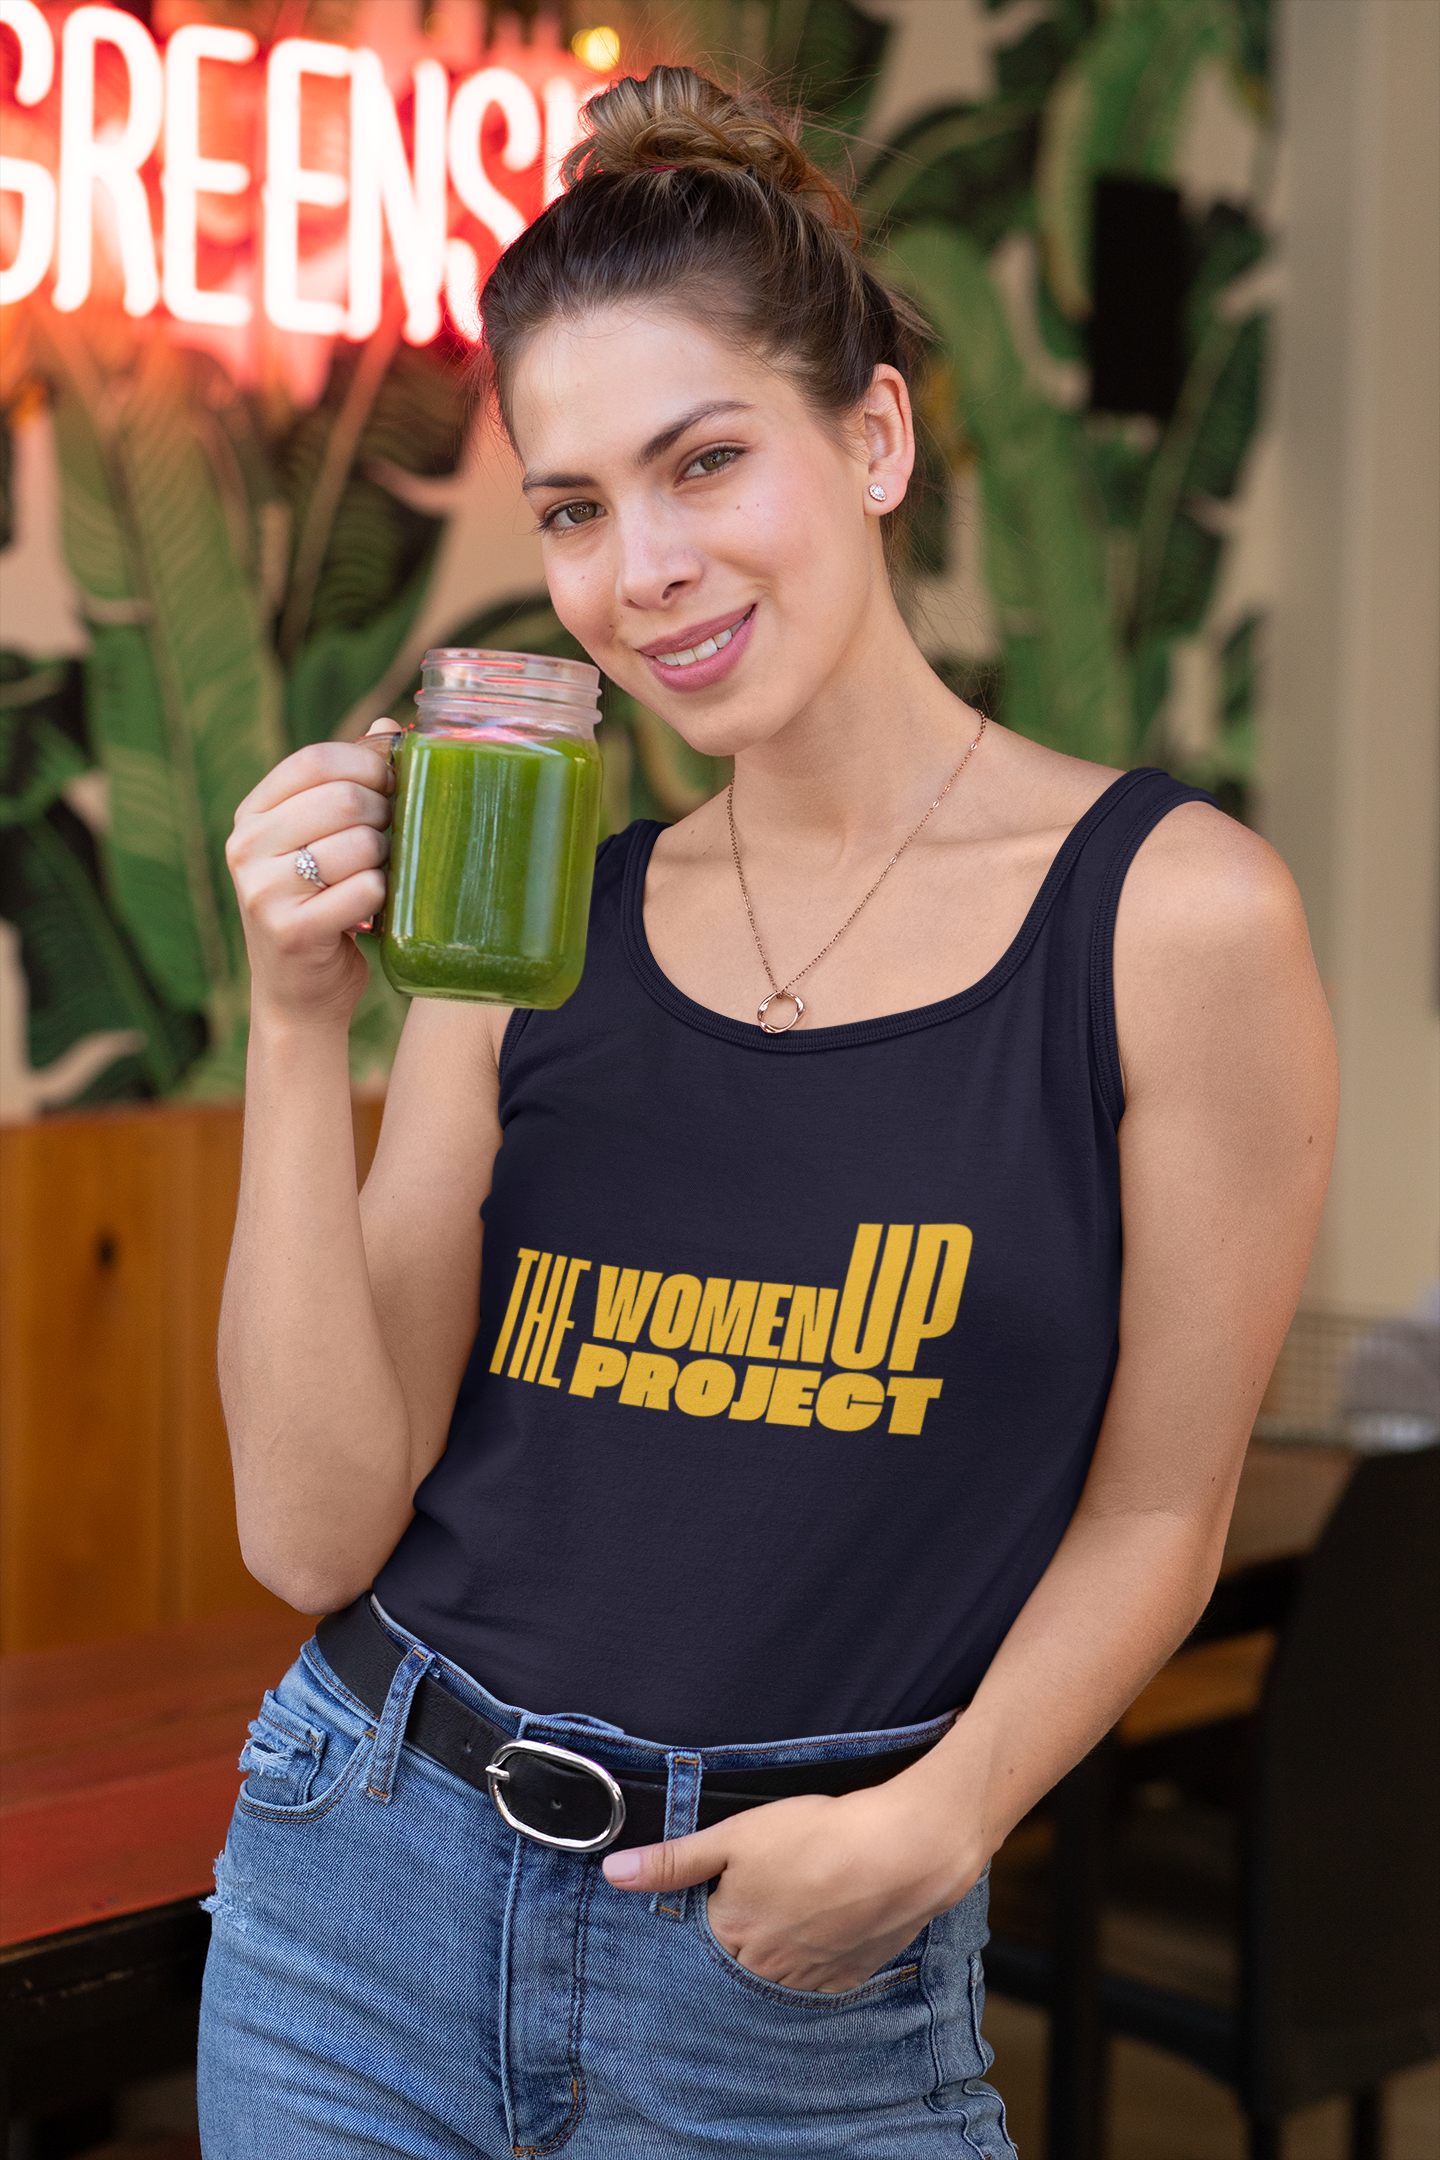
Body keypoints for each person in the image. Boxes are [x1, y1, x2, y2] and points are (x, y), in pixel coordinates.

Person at [199, 66, 1337, 2158]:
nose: (641, 568)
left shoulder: (1170, 922)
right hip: (360, 1902)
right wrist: (293, 1026)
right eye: (572, 508)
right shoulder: (534, 928)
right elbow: (311, 1531)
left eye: (705, 460)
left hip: (787, 1976)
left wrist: (944, 1817)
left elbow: (1159, 1512)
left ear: (875, 438)